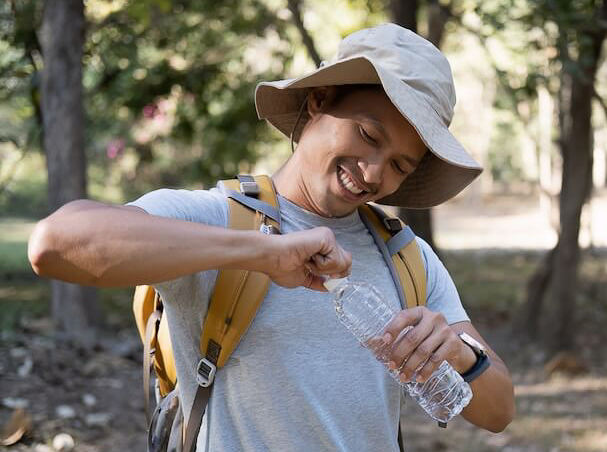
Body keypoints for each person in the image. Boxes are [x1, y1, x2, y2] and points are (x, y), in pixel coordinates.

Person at [28, 23, 514, 451]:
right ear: (318, 101)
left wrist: (458, 353)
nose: (371, 173)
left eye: (399, 166)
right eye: (368, 135)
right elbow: (55, 243)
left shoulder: (408, 258)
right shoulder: (219, 220)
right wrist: (263, 251)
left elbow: (498, 412)